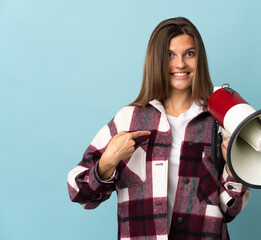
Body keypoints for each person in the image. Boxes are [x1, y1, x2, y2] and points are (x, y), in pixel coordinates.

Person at [67, 17, 250, 240]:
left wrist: (233, 168)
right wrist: (108, 162)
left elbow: (230, 210)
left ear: (199, 59)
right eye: (170, 55)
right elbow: (80, 194)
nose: (180, 64)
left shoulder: (220, 120)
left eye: (189, 54)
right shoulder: (129, 119)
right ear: (157, 61)